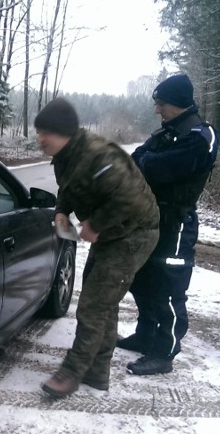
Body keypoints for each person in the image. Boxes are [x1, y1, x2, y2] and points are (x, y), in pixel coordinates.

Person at [35, 97, 160, 398]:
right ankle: (97, 371)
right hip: (115, 233)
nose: (39, 139)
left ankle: (71, 373)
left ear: (63, 132)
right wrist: (61, 211)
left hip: (134, 234)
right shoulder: (66, 155)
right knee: (104, 302)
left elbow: (127, 198)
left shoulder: (97, 155)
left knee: (93, 305)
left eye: (45, 132)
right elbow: (69, 189)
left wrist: (95, 225)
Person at [119, 74, 218, 375]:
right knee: (143, 281)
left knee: (168, 288)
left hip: (176, 225)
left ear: (176, 102)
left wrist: (148, 162)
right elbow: (136, 158)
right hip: (150, 220)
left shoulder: (200, 135)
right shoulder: (169, 132)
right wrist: (147, 161)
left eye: (161, 104)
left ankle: (164, 352)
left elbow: (157, 168)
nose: (157, 110)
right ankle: (146, 334)